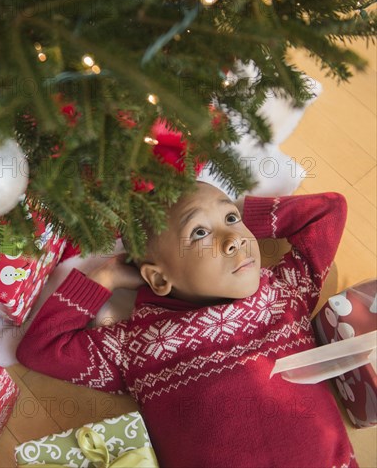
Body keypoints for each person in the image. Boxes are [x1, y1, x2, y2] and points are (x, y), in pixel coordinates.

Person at [17, 181, 356, 467]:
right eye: (199, 232)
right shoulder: (138, 345)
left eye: (231, 218)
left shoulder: (284, 291)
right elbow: (41, 348)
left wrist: (245, 219)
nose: (233, 238)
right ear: (159, 279)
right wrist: (103, 278)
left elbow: (329, 210)